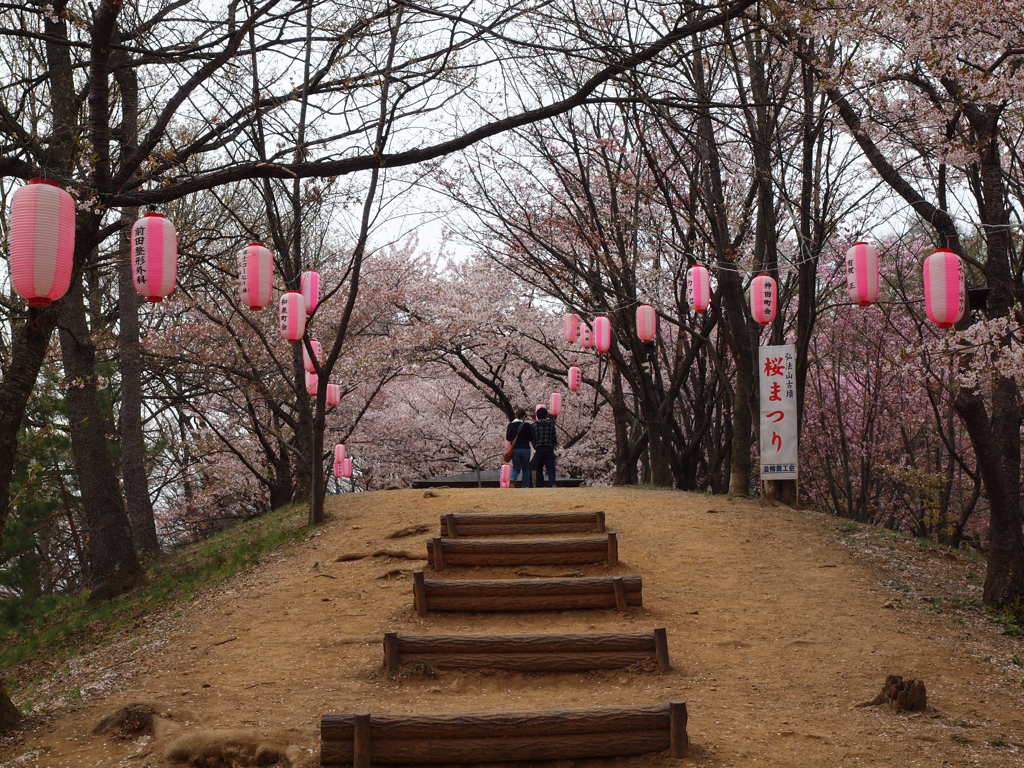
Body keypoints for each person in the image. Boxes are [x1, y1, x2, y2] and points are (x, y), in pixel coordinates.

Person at [505, 409, 534, 488]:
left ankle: (512, 481)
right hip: (525, 449)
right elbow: (531, 437)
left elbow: (508, 438)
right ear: (524, 416)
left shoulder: (510, 425)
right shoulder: (527, 425)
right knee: (525, 468)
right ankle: (525, 486)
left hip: (515, 449)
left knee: (516, 467)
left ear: (516, 415)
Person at [531, 406, 558, 487]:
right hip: (549, 448)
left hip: (539, 449)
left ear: (537, 416)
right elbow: (554, 438)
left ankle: (540, 484)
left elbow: (533, 438)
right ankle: (552, 483)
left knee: (539, 467)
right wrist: (552, 446)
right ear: (546, 415)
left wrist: (535, 446)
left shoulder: (534, 425)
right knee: (550, 468)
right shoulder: (551, 425)